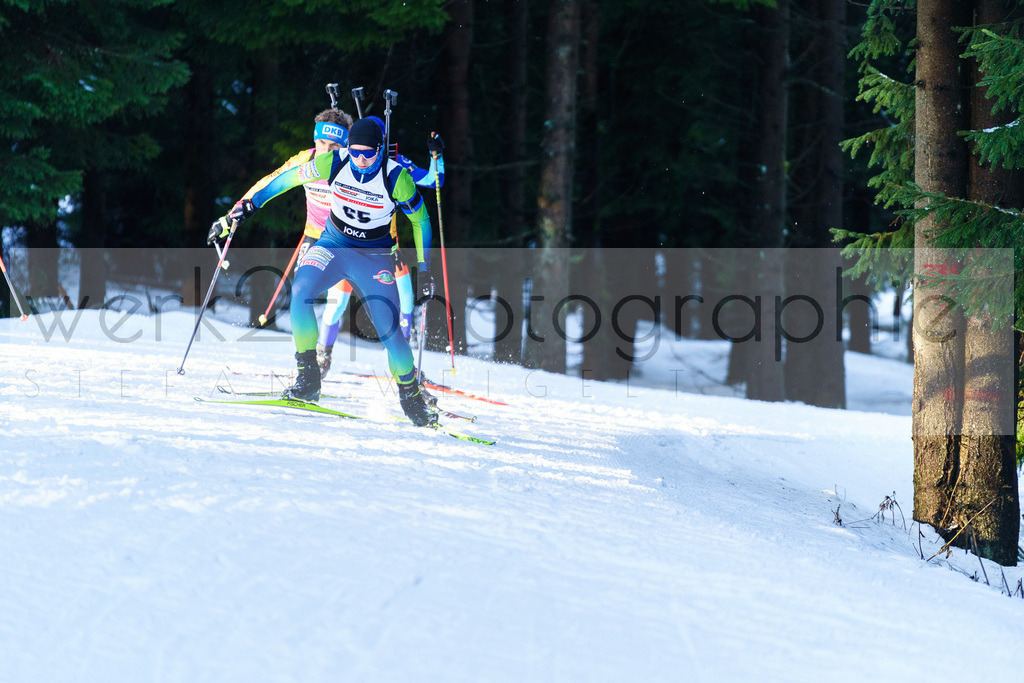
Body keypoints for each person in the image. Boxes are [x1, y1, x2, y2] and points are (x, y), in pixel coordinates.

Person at [209, 118, 438, 426]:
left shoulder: (396, 178)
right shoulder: (333, 161)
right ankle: (308, 379)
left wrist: (425, 271)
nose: (360, 161)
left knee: (390, 331)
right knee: (301, 293)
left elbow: (421, 221)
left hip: (374, 256)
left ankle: (411, 398)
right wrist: (251, 205)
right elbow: (287, 179)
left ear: (380, 150)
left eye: (368, 154)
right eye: (355, 152)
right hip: (332, 244)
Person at [317, 116, 444, 379]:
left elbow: (434, 181)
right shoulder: (346, 160)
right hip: (349, 245)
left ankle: (403, 366)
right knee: (337, 303)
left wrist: (436, 155)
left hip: (387, 248)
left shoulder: (398, 166)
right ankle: (321, 358)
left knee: (406, 302)